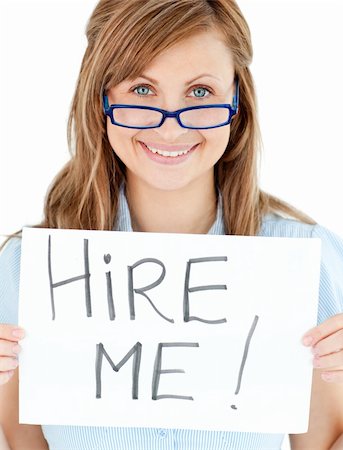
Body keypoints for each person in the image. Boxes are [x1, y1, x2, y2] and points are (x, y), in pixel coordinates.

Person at [1, 0, 343, 449]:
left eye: (200, 92)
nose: (169, 128)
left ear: (236, 101)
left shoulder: (307, 260)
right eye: (142, 90)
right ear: (101, 100)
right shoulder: (24, 269)